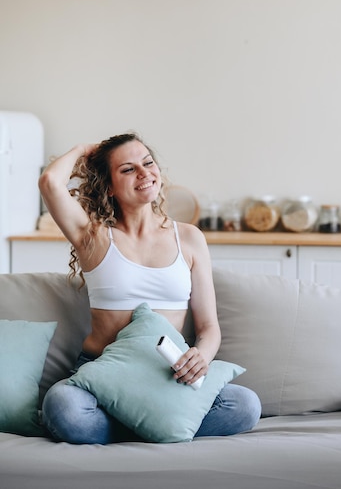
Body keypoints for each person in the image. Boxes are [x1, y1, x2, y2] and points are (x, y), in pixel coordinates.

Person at [39, 132, 261, 444]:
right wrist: (83, 149)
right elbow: (50, 181)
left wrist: (202, 355)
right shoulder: (95, 237)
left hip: (167, 378)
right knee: (63, 406)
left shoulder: (189, 238)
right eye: (127, 169)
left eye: (148, 163)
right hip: (104, 376)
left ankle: (135, 427)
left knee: (245, 405)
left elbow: (209, 327)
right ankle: (160, 426)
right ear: (109, 186)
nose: (144, 173)